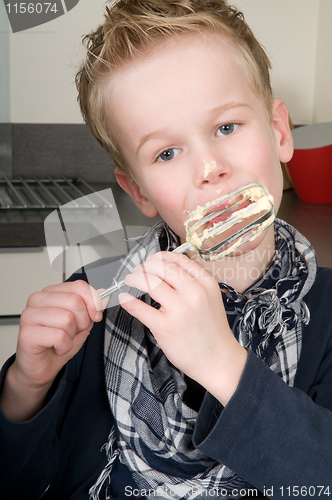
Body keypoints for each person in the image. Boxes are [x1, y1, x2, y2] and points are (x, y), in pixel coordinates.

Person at [1, 1, 332, 499]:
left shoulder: (328, 315)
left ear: (279, 131)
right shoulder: (97, 301)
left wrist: (224, 365)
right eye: (167, 153)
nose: (208, 167)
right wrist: (25, 388)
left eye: (226, 127)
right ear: (138, 191)